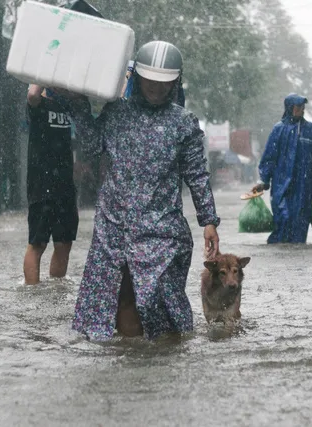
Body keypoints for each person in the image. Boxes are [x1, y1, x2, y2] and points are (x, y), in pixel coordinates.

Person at [53, 40, 220, 340]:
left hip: (161, 231)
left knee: (159, 302)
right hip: (115, 227)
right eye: (150, 82)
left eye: (164, 84)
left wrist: (208, 220)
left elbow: (196, 174)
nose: (156, 89)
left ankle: (159, 360)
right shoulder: (117, 113)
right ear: (137, 78)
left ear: (175, 83)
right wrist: (77, 103)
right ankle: (130, 365)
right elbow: (91, 145)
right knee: (120, 299)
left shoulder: (183, 124)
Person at [250, 93, 312, 244]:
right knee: (282, 217)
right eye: (299, 107)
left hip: (304, 185)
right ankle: (280, 250)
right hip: (281, 184)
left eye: (303, 107)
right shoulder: (278, 129)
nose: (302, 110)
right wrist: (263, 181)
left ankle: (296, 253)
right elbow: (269, 157)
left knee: (300, 220)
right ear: (290, 108)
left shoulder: (310, 129)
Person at [23, 84, 79, 284]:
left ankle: (56, 292)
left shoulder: (68, 105)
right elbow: (32, 93)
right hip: (41, 184)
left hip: (65, 185)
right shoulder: (38, 104)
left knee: (64, 243)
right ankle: (31, 294)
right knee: (38, 243)